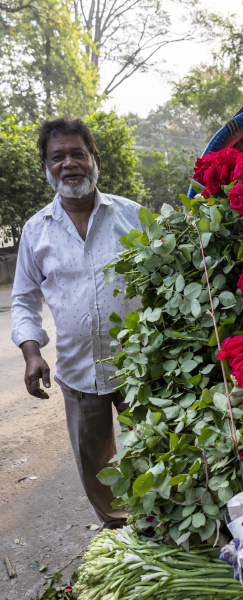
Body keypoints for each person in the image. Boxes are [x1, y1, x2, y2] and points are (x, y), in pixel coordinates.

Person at [11, 118, 142, 528]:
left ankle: (159, 525)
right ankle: (117, 532)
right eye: (57, 157)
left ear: (94, 159)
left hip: (140, 368)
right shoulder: (36, 232)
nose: (69, 164)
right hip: (78, 372)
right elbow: (23, 299)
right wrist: (31, 353)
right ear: (46, 168)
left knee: (156, 451)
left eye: (77, 154)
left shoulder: (133, 218)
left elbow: (169, 281)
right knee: (95, 465)